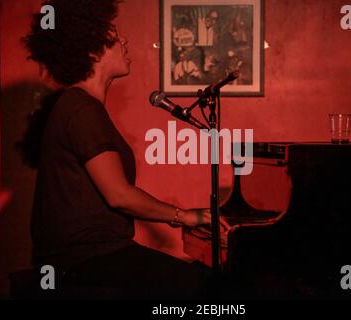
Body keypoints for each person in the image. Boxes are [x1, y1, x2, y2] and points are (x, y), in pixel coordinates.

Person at [23, 0, 222, 299]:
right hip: (85, 260)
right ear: (92, 50)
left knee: (200, 277)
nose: (125, 41)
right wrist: (187, 216)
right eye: (115, 36)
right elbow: (119, 196)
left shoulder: (80, 106)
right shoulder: (80, 108)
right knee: (205, 287)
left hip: (94, 255)